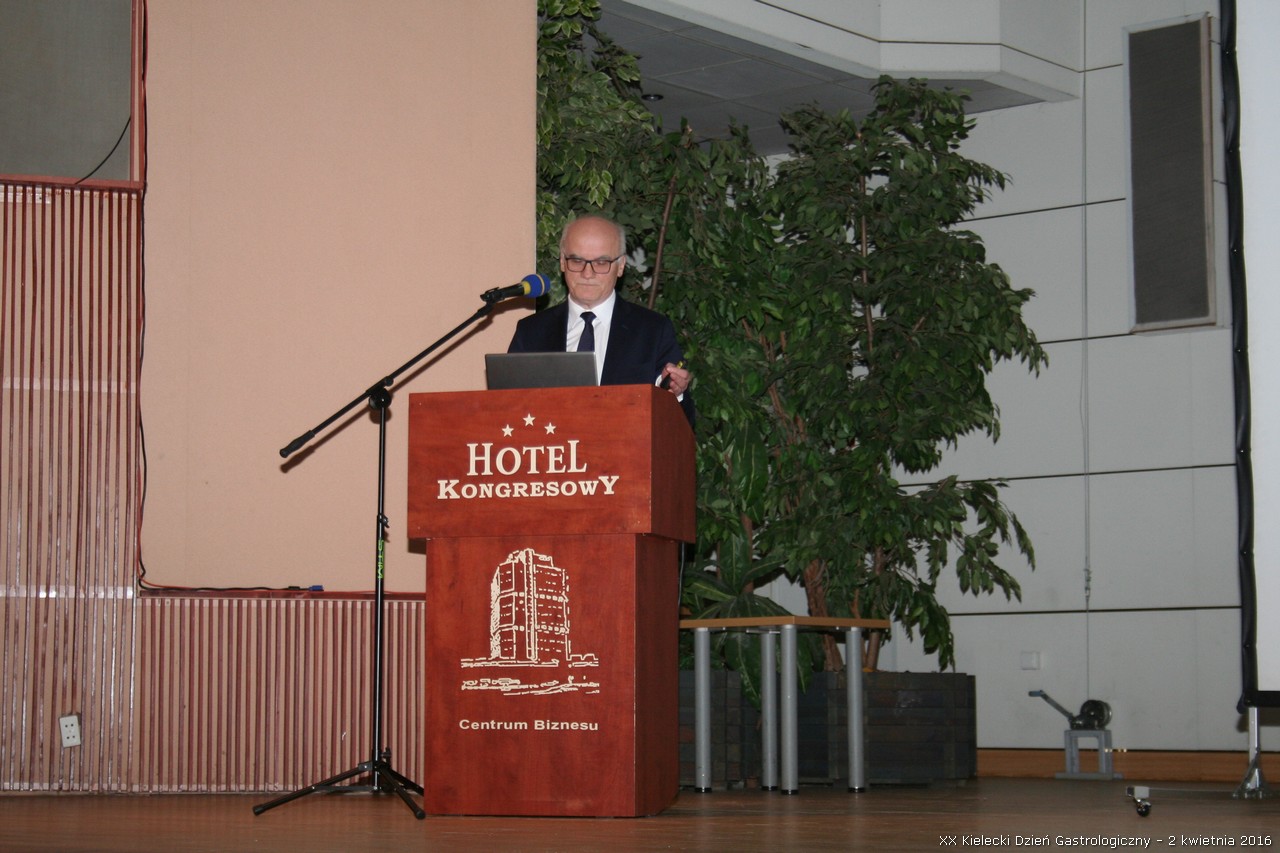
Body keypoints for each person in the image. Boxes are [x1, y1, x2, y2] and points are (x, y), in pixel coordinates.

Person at [507, 214, 695, 425]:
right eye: (577, 261)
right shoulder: (531, 332)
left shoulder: (652, 331)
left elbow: (681, 424)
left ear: (621, 266)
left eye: (601, 262)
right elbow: (507, 411)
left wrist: (676, 393)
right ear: (562, 262)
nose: (587, 273)